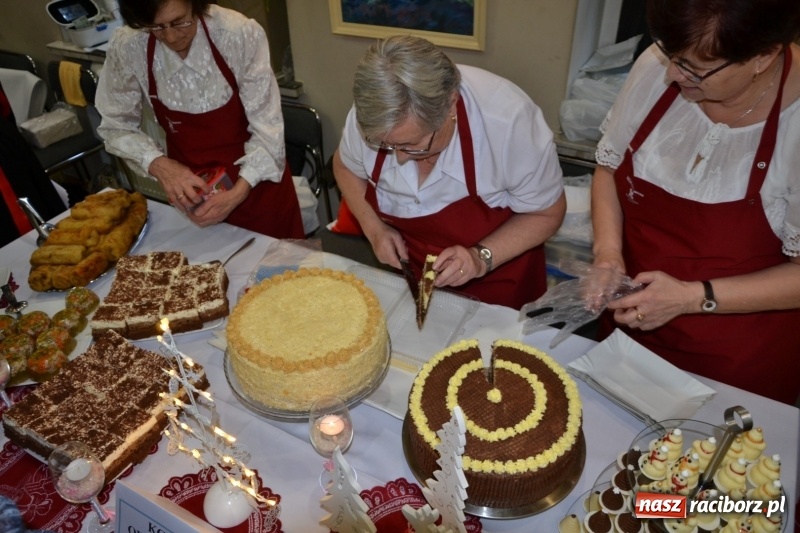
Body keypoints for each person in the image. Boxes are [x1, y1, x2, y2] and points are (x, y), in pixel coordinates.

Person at [591, 0, 800, 404]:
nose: (672, 73)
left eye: (695, 67)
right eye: (670, 54)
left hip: (737, 358)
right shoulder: (663, 66)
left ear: (763, 56)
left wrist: (690, 297)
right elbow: (609, 170)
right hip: (630, 328)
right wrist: (608, 254)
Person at [333, 35, 566, 309]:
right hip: (413, 267)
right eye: (385, 145)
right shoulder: (374, 114)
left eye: (413, 144)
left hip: (499, 277)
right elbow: (345, 167)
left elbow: (547, 213)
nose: (400, 157)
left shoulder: (509, 124)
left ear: (451, 104)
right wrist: (374, 229)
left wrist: (480, 257)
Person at [95, 0, 304, 238]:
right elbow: (115, 125)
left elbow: (269, 131)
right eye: (156, 27)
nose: (171, 37)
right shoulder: (130, 44)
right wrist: (158, 164)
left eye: (179, 22)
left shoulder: (237, 34)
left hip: (257, 192)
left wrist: (237, 193)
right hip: (194, 198)